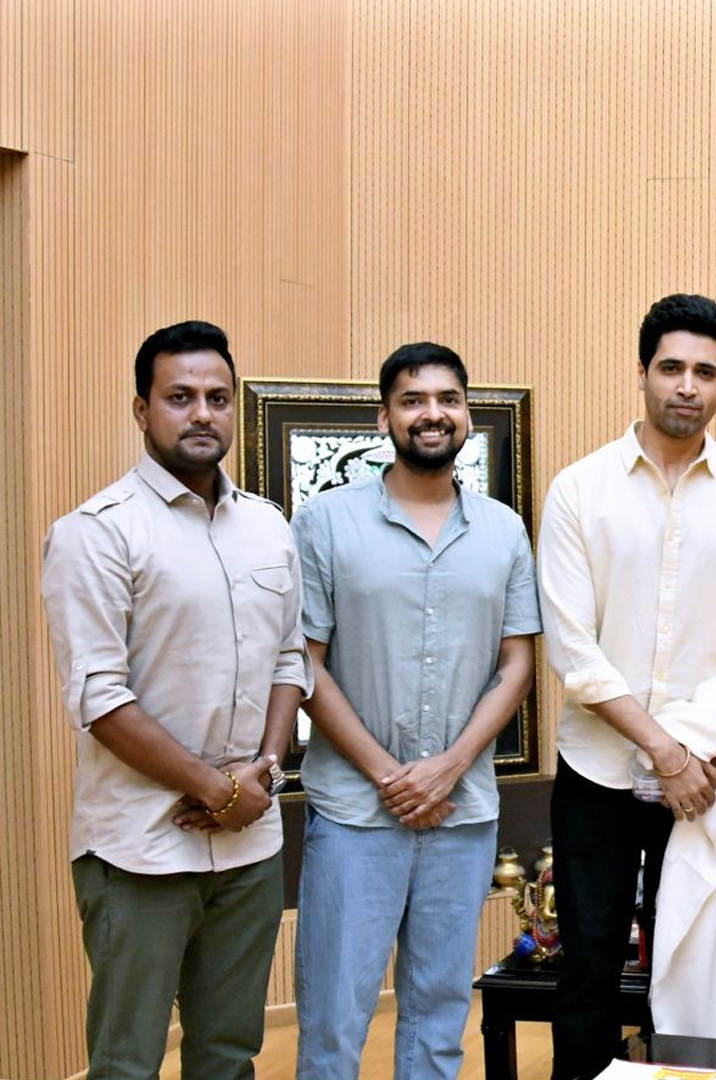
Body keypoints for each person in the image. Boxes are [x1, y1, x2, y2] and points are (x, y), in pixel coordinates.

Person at [539, 294, 716, 1079]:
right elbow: (572, 649)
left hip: (706, 782)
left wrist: (698, 753)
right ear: (643, 373)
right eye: (672, 369)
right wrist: (666, 752)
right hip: (599, 773)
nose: (687, 386)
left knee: (693, 973)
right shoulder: (580, 491)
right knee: (587, 971)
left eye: (705, 372)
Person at [40, 320, 309, 1080]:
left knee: (229, 1056)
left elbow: (290, 657)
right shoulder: (95, 534)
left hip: (249, 843)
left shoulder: (268, 526)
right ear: (141, 410)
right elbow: (98, 696)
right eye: (180, 397)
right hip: (138, 850)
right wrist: (214, 788)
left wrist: (261, 770)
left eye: (217, 398)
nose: (202, 413)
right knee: (127, 1063)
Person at [290, 342, 540, 1080]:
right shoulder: (325, 523)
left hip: (461, 816)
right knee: (334, 1020)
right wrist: (390, 774)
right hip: (353, 814)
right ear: (385, 417)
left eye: (447, 399)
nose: (432, 413)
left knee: (437, 1018)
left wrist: (448, 769)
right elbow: (304, 662)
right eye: (413, 400)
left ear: (465, 412)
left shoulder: (503, 530)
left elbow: (518, 662)